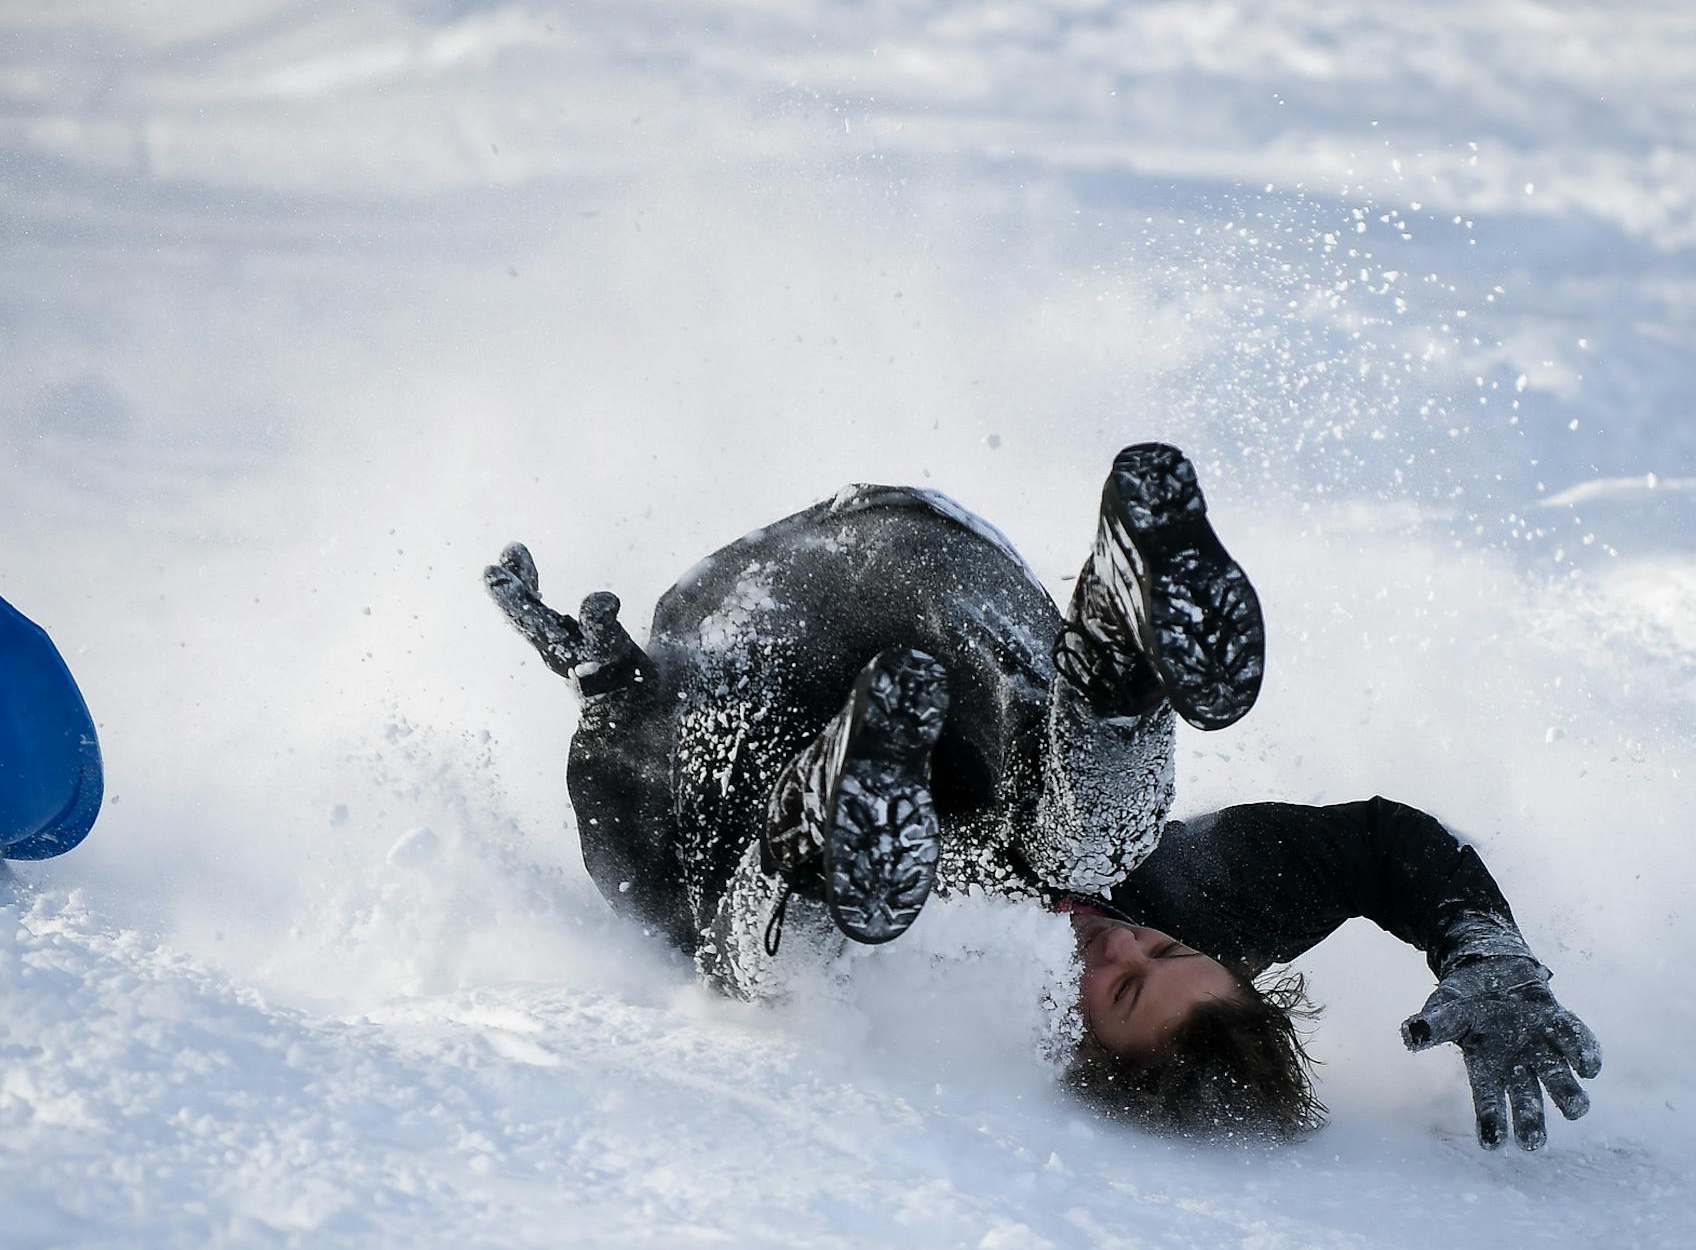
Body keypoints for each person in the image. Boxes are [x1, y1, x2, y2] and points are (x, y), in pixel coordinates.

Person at [483, 446, 1603, 1146]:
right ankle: (1120, 645)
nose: (1122, 946)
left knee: (761, 963)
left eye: (1120, 990)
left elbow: (630, 858)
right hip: (909, 580)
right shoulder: (1188, 905)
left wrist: (610, 696)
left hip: (741, 669)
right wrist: (1488, 954)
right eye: (1166, 956)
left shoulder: (971, 1036)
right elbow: (1383, 846)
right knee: (1092, 852)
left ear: (1084, 1055)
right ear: (1223, 959)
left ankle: (825, 829)